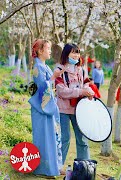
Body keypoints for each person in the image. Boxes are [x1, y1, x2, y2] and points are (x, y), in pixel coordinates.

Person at [28, 39, 64, 177]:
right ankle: (44, 169)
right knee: (44, 137)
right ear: (40, 51)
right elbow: (42, 90)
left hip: (48, 106)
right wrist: (53, 77)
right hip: (41, 108)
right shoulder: (38, 67)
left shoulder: (44, 66)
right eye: (47, 48)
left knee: (53, 137)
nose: (50, 51)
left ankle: (55, 166)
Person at [55, 43, 94, 168]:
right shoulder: (59, 70)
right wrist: (81, 92)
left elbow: (86, 84)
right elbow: (61, 91)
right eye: (73, 52)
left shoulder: (81, 70)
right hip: (63, 109)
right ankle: (58, 166)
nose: (76, 55)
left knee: (82, 139)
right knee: (64, 138)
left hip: (79, 109)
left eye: (77, 52)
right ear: (66, 54)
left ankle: (84, 168)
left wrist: (88, 91)